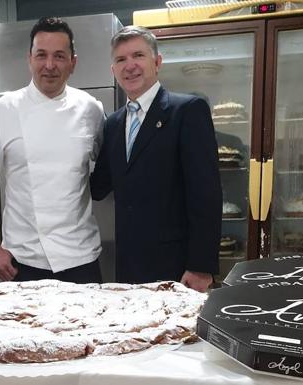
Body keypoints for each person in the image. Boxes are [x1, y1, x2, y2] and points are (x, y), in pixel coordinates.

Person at [90, 26, 222, 292]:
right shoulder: (113, 124)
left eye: (138, 55)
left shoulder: (187, 111)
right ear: (113, 70)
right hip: (127, 265)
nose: (130, 66)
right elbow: (99, 186)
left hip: (177, 268)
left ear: (157, 62)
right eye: (120, 60)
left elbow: (205, 194)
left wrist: (201, 266)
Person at [0, 17, 105, 283]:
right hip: (23, 260)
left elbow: (106, 169)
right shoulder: (3, 109)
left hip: (82, 257)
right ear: (29, 59)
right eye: (41, 55)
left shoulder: (91, 108)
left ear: (73, 62)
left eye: (59, 56)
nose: (49, 65)